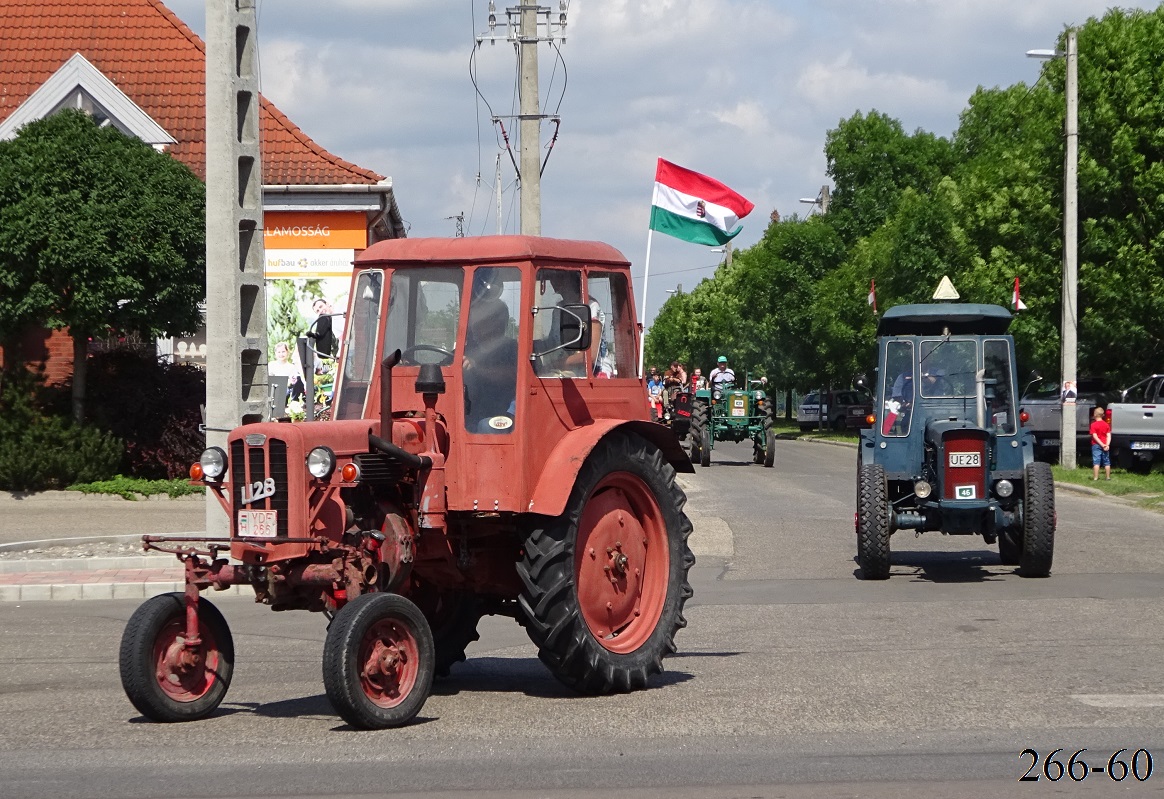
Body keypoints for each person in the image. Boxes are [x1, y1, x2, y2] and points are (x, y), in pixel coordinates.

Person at [464, 296, 518, 432]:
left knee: (485, 426)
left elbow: (513, 375)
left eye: (482, 319)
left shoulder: (512, 348)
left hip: (501, 413)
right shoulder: (465, 350)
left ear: (499, 322)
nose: (474, 325)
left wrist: (477, 368)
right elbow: (444, 367)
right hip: (468, 412)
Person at [1090, 406, 1112, 481]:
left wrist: (1101, 444)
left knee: (1096, 461)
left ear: (1095, 415)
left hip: (1096, 445)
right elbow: (1108, 435)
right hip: (1105, 445)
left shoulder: (1093, 425)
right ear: (1103, 415)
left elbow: (1095, 436)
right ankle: (1108, 477)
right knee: (1107, 461)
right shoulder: (1106, 425)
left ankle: (1096, 478)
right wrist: (1107, 444)